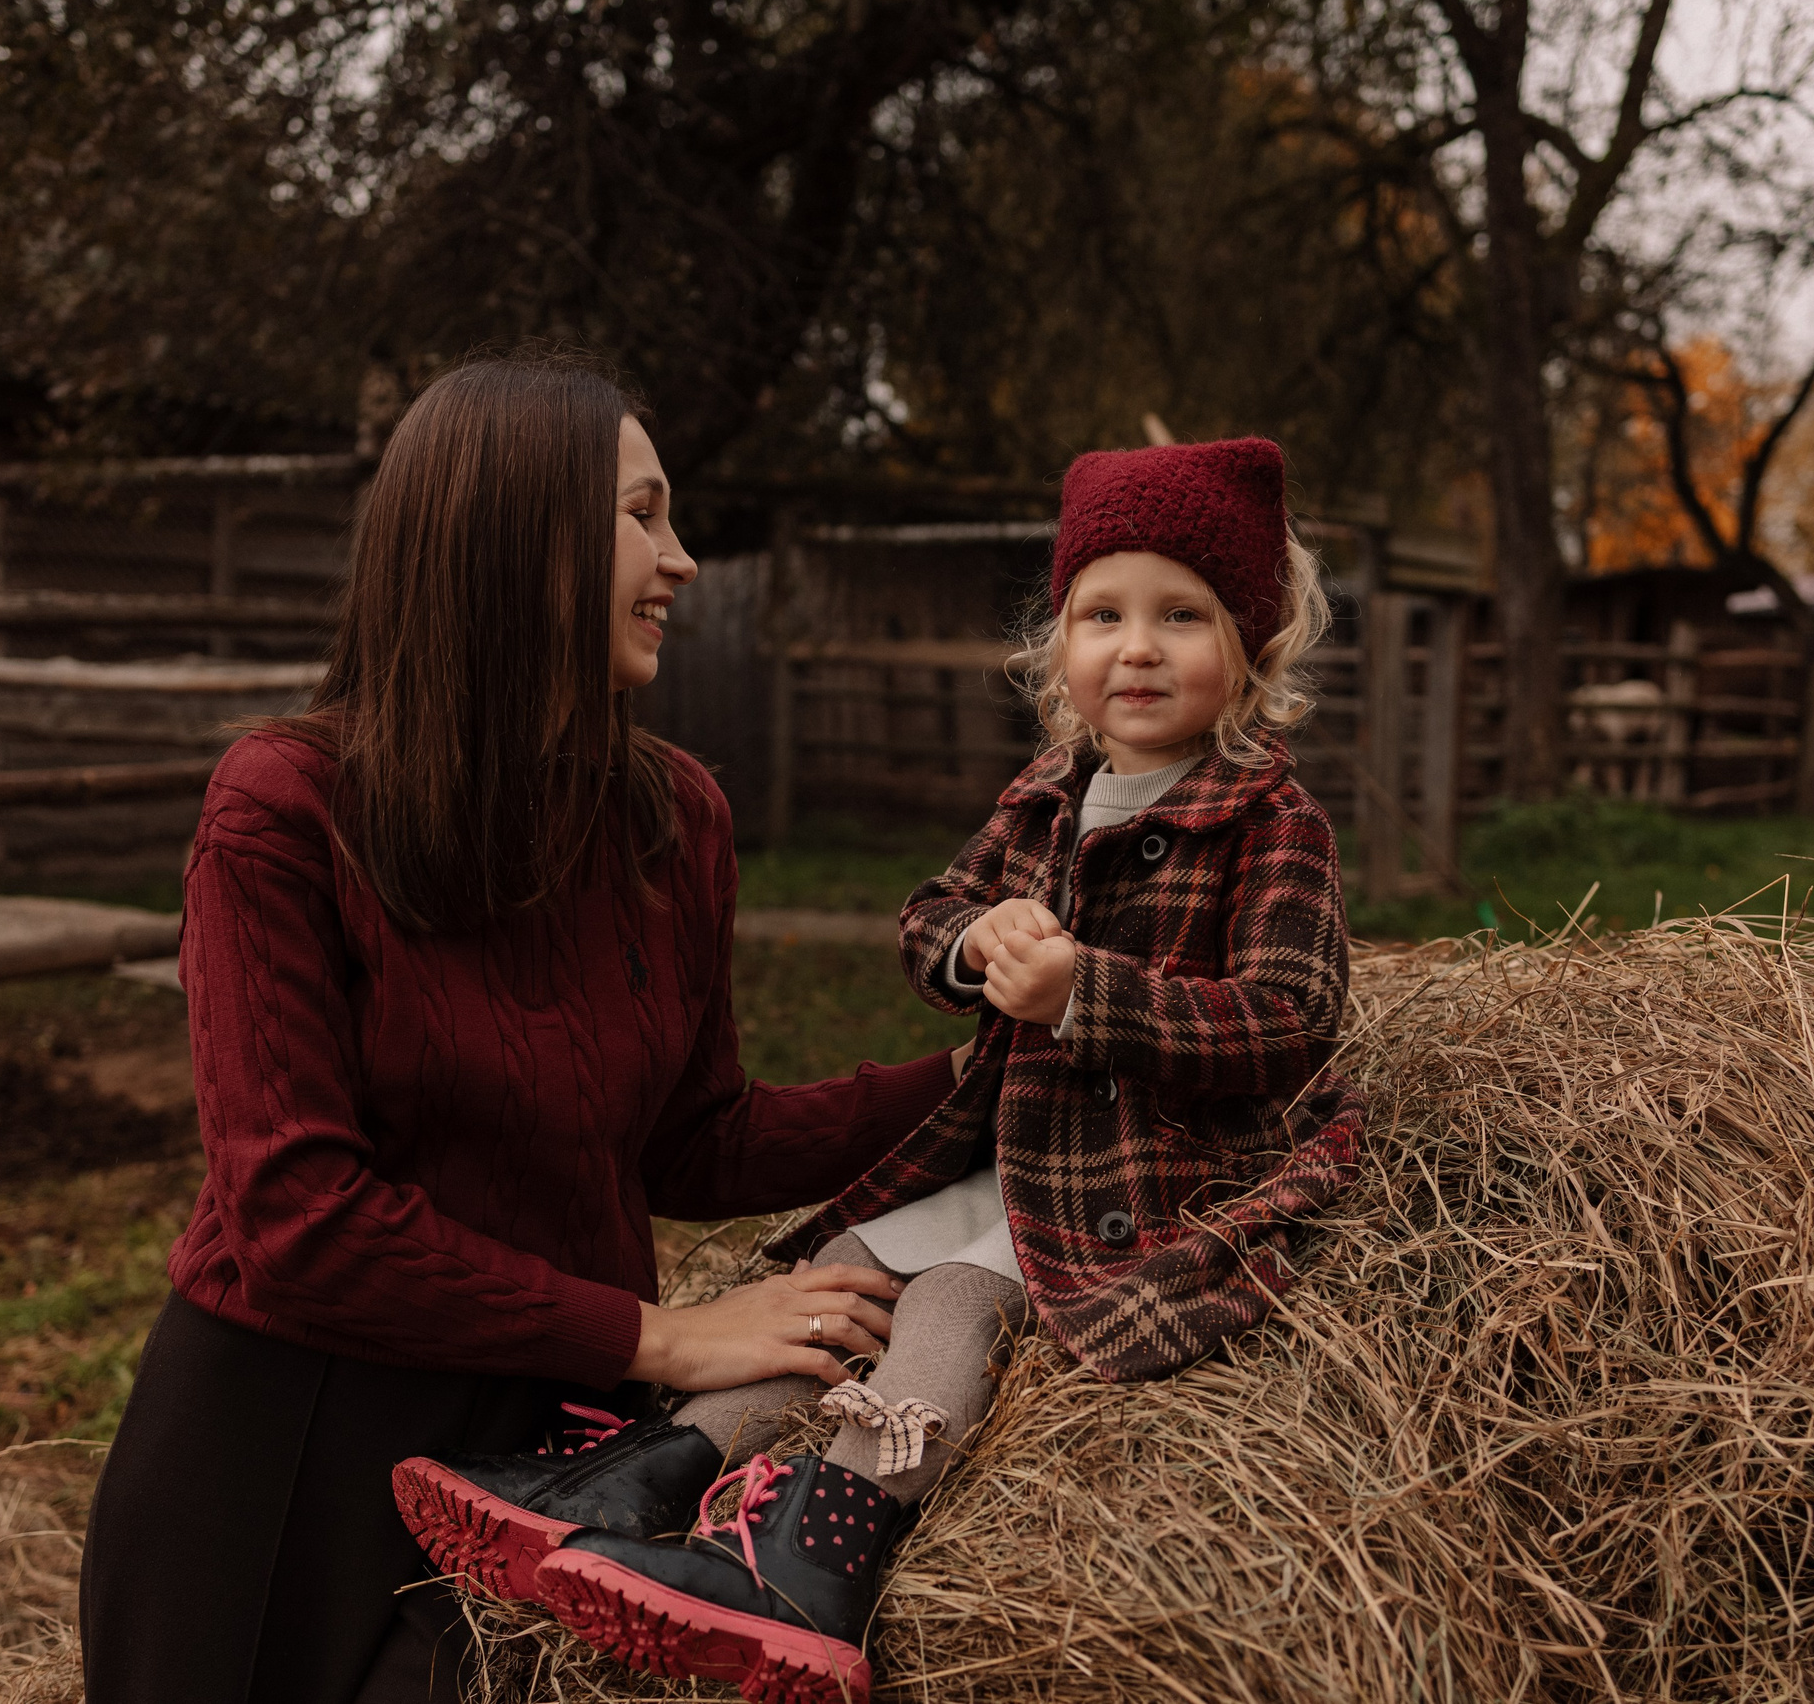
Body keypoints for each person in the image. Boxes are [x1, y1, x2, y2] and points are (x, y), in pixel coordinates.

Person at [399, 435, 1368, 1704]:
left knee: (949, 1308)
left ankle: (824, 1549)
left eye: (1181, 616)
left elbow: (1293, 1016)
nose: (1136, 648)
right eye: (1102, 614)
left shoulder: (1269, 816)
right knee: (840, 1271)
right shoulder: (1044, 796)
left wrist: (1094, 997)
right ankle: (645, 1482)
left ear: (1250, 645)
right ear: (1057, 645)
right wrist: (974, 944)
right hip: (1016, 1151)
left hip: (1150, 1171)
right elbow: (929, 914)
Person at [76, 353, 968, 1704]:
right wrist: (670, 1338)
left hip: (554, 1440)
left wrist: (977, 1079)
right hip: (287, 1442)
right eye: (642, 514)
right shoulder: (288, 803)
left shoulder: (675, 817)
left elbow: (691, 1139)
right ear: (509, 534)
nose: (681, 559)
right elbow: (297, 1213)